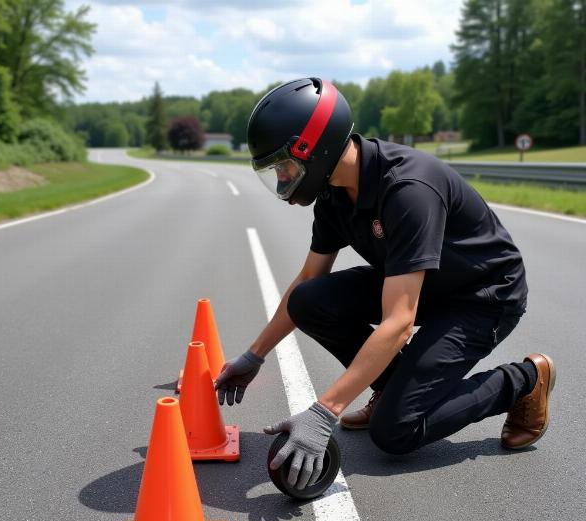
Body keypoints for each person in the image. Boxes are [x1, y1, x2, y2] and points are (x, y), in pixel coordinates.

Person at [215, 77, 556, 491]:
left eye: (284, 165)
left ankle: (523, 381)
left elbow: (399, 321)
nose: (283, 178)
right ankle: (394, 389)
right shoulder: (335, 195)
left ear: (314, 149)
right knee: (309, 300)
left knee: (396, 432)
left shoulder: (408, 190)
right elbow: (308, 279)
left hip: (482, 296)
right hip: (423, 284)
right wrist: (254, 357)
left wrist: (325, 411)